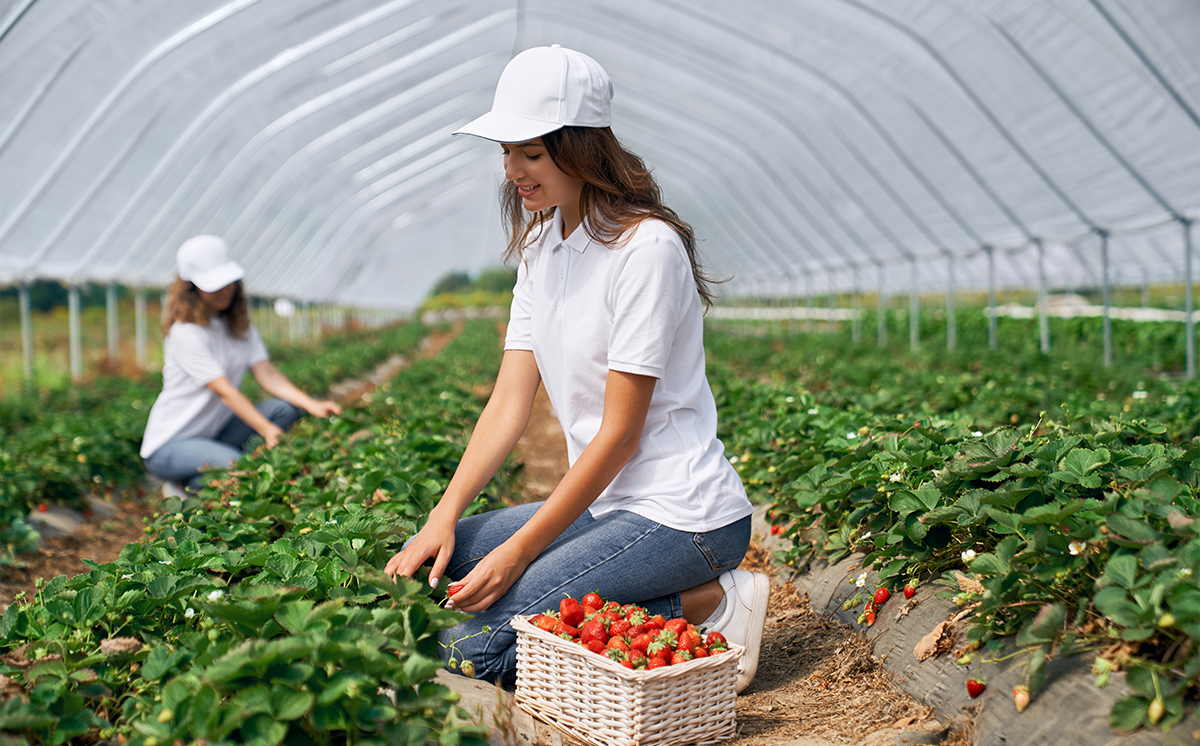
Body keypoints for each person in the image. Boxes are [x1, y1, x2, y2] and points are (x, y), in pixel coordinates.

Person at [384, 45, 769, 692]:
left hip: (683, 515)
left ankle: (708, 604)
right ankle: (656, 605)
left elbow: (618, 436)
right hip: (608, 507)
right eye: (506, 152)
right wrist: (443, 516)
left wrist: (523, 551)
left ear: (583, 150)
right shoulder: (543, 247)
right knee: (446, 564)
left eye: (530, 154)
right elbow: (509, 404)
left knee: (473, 646)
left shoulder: (646, 250)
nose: (512, 171)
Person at [140, 235, 342, 493]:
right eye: (214, 285)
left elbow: (266, 372)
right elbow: (224, 390)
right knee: (236, 465)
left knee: (283, 410)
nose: (224, 290)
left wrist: (312, 404)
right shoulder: (187, 333)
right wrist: (267, 430)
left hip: (215, 432)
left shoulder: (236, 325)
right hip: (170, 445)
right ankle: (192, 482)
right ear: (192, 289)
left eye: (228, 282)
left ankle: (219, 469)